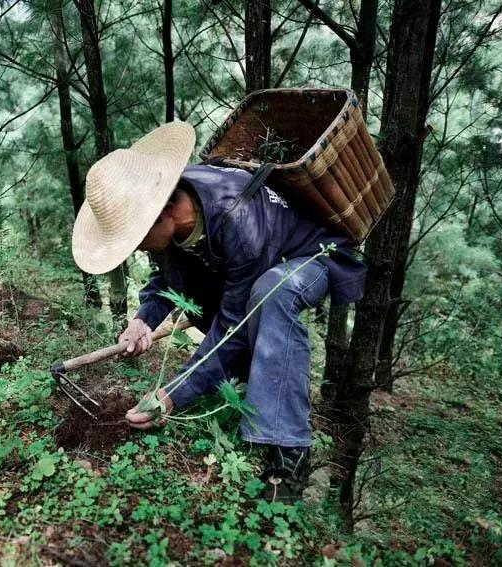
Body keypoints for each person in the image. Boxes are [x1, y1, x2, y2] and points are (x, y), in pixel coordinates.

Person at [70, 121, 366, 502]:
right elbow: (167, 279)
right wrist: (143, 319)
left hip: (311, 256)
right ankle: (250, 390)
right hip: (251, 270)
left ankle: (289, 455)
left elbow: (232, 328)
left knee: (271, 294)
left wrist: (175, 392)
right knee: (254, 299)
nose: (138, 249)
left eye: (137, 238)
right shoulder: (175, 213)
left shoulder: (237, 219)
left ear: (164, 213)